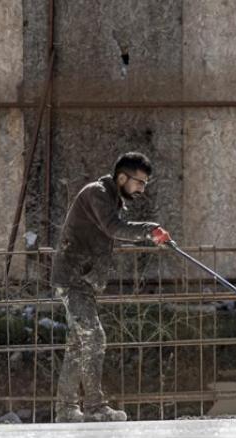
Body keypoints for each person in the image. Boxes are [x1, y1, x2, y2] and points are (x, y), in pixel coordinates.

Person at [50, 152, 174, 423]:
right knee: (94, 337)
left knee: (78, 343)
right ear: (121, 178)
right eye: (139, 182)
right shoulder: (97, 193)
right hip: (73, 278)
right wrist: (149, 230)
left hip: (82, 280)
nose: (142, 189)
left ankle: (66, 409)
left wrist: (149, 233)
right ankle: (95, 407)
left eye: (144, 184)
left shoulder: (110, 199)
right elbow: (113, 228)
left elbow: (111, 229)